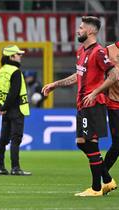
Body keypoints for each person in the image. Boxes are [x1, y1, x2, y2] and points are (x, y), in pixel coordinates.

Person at [42, 16, 117, 196]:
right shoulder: (82, 52)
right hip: (82, 105)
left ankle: (97, 188)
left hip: (93, 104)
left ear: (90, 31)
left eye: (81, 28)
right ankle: (107, 180)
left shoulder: (99, 52)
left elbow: (114, 75)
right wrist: (55, 84)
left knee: (89, 143)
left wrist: (95, 92)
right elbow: (78, 76)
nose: (78, 30)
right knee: (82, 143)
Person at [0, 45, 32, 176]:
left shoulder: (1, 71)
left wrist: (1, 107)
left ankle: (0, 167)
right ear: (11, 56)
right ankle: (15, 168)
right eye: (18, 54)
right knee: (16, 139)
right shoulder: (15, 71)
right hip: (16, 109)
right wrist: (4, 107)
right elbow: (14, 93)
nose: (20, 56)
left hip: (6, 110)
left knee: (3, 139)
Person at [83, 41, 119, 178]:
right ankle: (104, 175)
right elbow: (98, 73)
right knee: (117, 145)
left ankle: (103, 176)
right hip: (114, 103)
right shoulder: (108, 51)